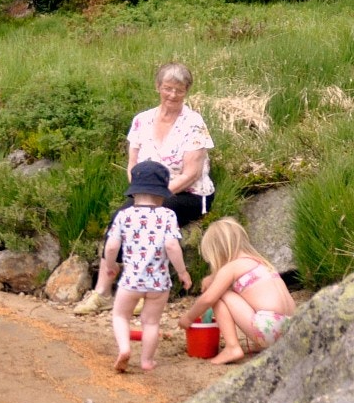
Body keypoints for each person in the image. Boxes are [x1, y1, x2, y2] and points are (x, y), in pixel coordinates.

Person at [75, 61, 215, 314]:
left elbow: (191, 173)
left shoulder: (193, 123)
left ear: (187, 91)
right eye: (168, 88)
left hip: (189, 193)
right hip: (146, 192)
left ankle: (143, 291)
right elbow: (132, 165)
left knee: (153, 220)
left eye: (179, 90)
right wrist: (140, 193)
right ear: (158, 87)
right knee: (121, 217)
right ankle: (103, 291)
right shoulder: (142, 120)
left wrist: (157, 197)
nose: (173, 95)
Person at [104, 160, 192, 372]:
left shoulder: (124, 215)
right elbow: (172, 245)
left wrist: (111, 266)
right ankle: (146, 361)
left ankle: (124, 349)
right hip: (159, 282)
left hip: (131, 281)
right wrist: (182, 272)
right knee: (151, 323)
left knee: (120, 315)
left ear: (134, 192)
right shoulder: (168, 215)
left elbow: (111, 246)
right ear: (162, 192)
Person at [178, 217, 294, 365]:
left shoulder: (231, 268)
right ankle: (263, 344)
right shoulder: (260, 262)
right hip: (291, 328)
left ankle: (232, 347)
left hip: (268, 328)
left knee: (219, 296)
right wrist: (213, 278)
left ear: (218, 251)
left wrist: (189, 318)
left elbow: (208, 299)